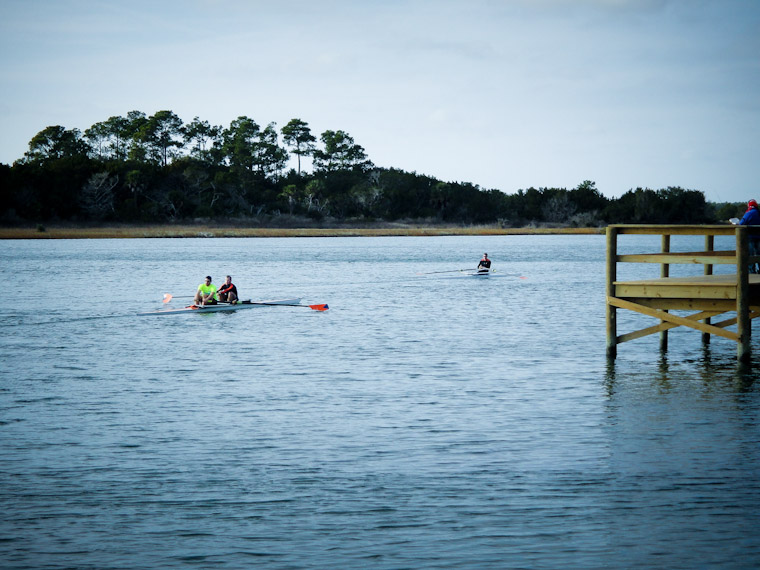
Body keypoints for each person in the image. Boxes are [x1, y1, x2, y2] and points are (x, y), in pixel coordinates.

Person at [740, 200, 760, 273]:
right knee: (759, 254)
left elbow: (741, 223)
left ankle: (752, 272)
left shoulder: (749, 213)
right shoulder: (758, 213)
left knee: (750, 256)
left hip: (750, 238)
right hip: (759, 238)